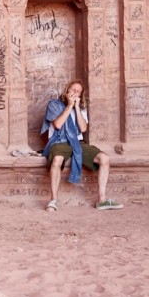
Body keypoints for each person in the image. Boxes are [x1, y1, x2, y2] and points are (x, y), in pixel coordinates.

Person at [40, 80, 123, 211]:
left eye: (78, 91)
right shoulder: (54, 105)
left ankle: (102, 200)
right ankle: (54, 200)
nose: (75, 93)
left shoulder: (81, 108)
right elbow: (58, 125)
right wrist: (69, 106)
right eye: (73, 90)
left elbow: (83, 129)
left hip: (77, 142)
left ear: (81, 95)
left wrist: (77, 107)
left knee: (104, 159)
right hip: (59, 141)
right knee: (57, 160)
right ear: (67, 90)